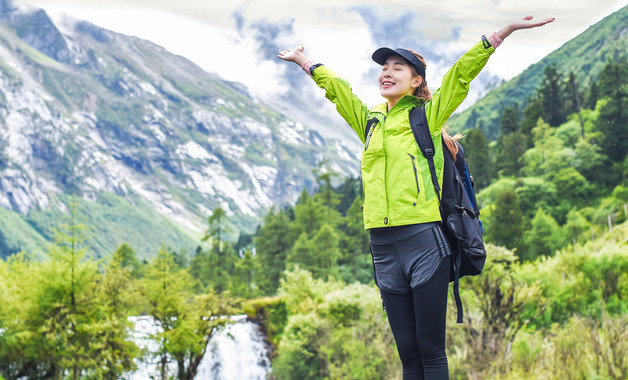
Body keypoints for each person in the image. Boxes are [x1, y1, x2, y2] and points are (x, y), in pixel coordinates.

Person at [278, 16, 555, 380]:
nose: (387, 73)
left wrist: (498, 35)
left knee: (431, 352)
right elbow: (340, 93)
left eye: (398, 67)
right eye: (384, 68)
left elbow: (459, 76)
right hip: (383, 248)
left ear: (416, 80)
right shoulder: (370, 122)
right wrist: (306, 63)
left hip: (424, 242)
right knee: (408, 357)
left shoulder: (428, 115)